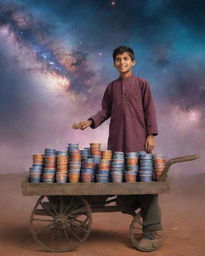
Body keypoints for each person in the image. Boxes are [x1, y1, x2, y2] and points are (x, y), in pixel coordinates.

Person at [72, 46, 162, 252]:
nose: (122, 62)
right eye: (118, 60)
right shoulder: (111, 87)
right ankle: (127, 206)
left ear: (133, 62)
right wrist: (89, 121)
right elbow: (105, 111)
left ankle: (151, 231)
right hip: (117, 144)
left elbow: (150, 110)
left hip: (138, 142)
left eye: (126, 59)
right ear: (114, 63)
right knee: (116, 179)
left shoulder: (142, 84)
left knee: (145, 185)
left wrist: (151, 135)